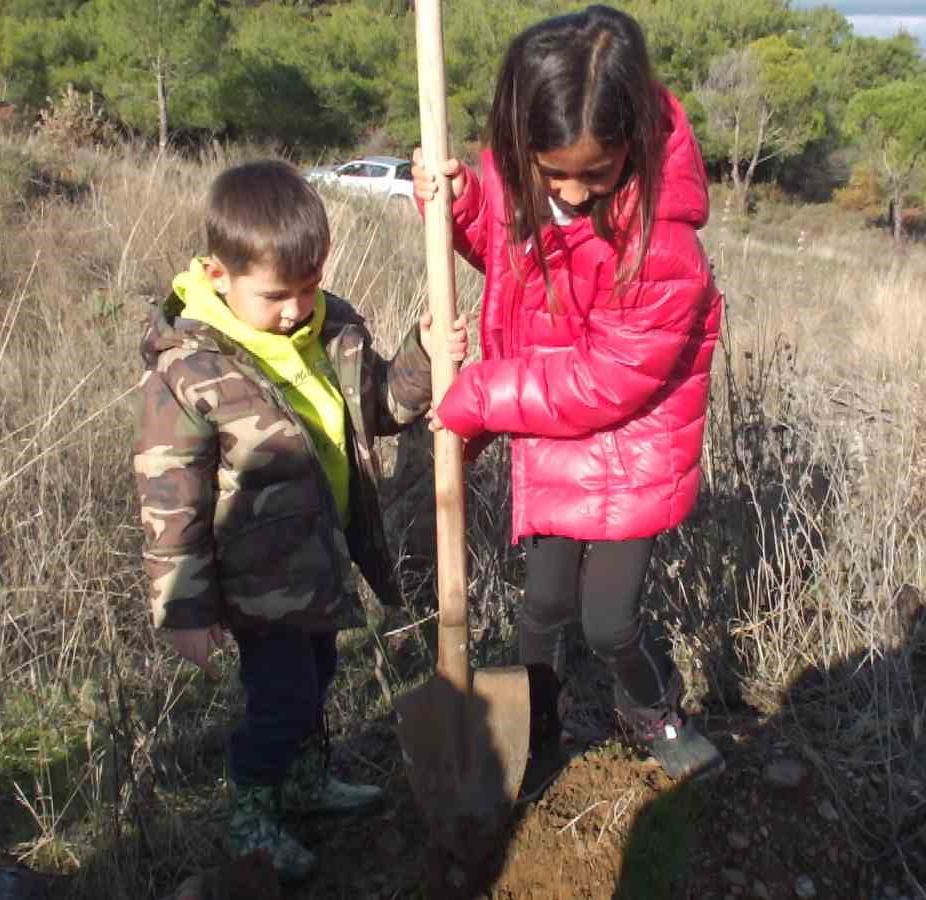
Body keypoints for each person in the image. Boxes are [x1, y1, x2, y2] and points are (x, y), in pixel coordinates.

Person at [411, 5, 725, 782]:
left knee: (609, 623)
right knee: (541, 608)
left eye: (597, 173)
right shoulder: (529, 184)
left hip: (633, 456)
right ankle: (535, 726)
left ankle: (652, 711)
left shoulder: (664, 244)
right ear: (522, 142)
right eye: (555, 174)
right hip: (554, 442)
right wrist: (462, 206)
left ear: (638, 146)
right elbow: (507, 252)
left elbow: (605, 382)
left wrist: (480, 394)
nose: (575, 195)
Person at [133, 160, 465, 881]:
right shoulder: (191, 371)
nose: (295, 308)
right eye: (276, 294)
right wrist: (183, 609)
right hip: (256, 581)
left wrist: (424, 356)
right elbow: (171, 500)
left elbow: (377, 409)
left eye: (308, 286)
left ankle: (307, 783)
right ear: (219, 275)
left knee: (317, 678)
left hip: (320, 563)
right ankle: (252, 817)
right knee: (281, 699)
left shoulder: (331, 328)